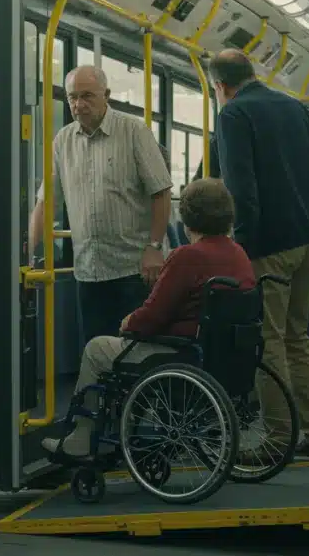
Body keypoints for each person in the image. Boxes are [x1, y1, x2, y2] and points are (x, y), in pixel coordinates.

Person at [42, 178, 255, 457]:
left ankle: (84, 436)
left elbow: (154, 315)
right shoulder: (238, 254)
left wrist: (129, 322)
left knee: (97, 350)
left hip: (181, 355)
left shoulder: (187, 257)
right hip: (224, 356)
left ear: (187, 220)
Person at [208, 49, 309, 457]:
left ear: (220, 86)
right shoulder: (295, 107)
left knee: (268, 339)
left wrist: (239, 248)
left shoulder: (232, 115)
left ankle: (277, 438)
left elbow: (240, 189)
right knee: (297, 335)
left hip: (267, 245)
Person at [26, 66, 173, 346]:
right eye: (72, 97)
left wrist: (154, 248)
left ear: (106, 95)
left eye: (87, 96)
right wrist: (26, 251)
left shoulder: (133, 131)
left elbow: (161, 191)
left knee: (136, 350)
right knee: (96, 351)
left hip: (134, 268)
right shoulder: (63, 141)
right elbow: (47, 202)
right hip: (88, 270)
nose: (79, 105)